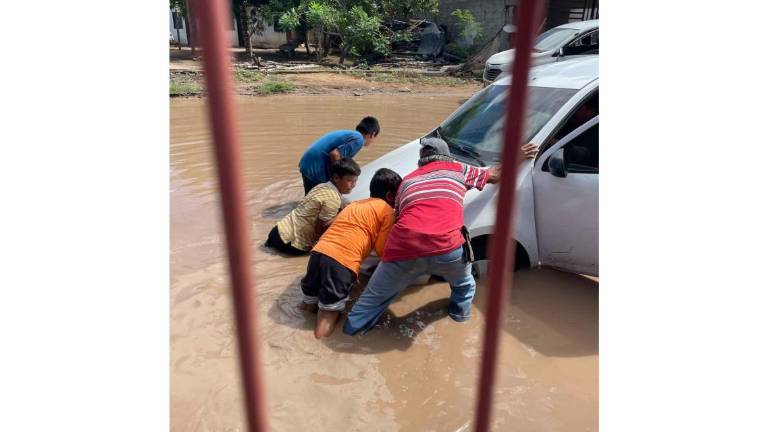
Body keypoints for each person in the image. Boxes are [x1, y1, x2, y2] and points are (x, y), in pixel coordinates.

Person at [343, 138, 501, 336]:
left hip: (404, 250)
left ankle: (349, 334)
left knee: (369, 302)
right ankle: (460, 320)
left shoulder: (406, 181)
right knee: (464, 284)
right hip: (448, 249)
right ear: (446, 157)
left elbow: (399, 218)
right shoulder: (459, 170)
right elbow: (496, 175)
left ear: (421, 160)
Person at [299, 168, 403, 338]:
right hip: (342, 262)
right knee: (328, 314)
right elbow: (382, 250)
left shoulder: (354, 204)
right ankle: (315, 352)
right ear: (391, 196)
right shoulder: (386, 211)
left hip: (318, 253)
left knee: (308, 304)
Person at [265, 158, 361, 256]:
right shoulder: (333, 199)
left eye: (355, 181)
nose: (353, 185)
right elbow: (321, 229)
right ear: (336, 178)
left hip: (277, 231)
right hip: (291, 244)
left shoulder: (321, 186)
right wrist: (344, 213)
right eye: (349, 180)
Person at [298, 117, 380, 195]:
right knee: (322, 201)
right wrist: (336, 182)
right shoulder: (359, 140)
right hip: (316, 167)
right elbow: (335, 154)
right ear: (372, 134)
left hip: (307, 163)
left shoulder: (351, 135)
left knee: (309, 201)